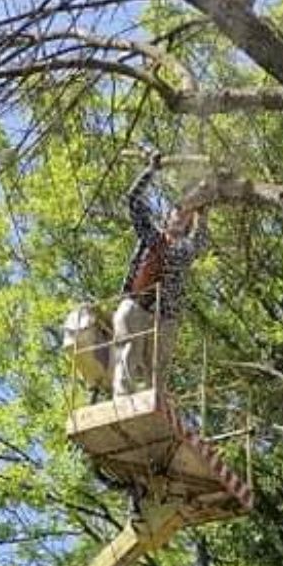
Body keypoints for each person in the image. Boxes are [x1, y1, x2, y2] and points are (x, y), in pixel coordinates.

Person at [112, 153, 209, 398]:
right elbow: (133, 201)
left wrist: (203, 211)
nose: (180, 216)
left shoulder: (185, 248)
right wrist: (150, 170)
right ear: (168, 216)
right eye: (177, 211)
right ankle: (122, 398)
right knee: (128, 348)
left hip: (165, 316)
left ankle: (155, 401)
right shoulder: (153, 237)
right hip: (138, 305)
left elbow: (201, 240)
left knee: (158, 369)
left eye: (185, 215)